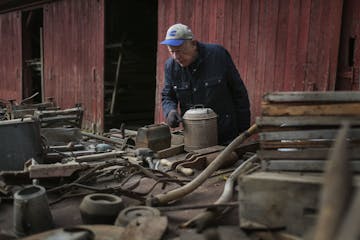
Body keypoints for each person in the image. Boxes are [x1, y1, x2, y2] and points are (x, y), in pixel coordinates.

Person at [160, 23, 250, 145]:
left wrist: (244, 130)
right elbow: (168, 96)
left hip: (225, 134)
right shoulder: (170, 66)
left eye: (180, 51)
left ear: (193, 44)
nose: (176, 57)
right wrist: (170, 111)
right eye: (172, 52)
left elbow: (238, 92)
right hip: (194, 136)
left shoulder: (218, 55)